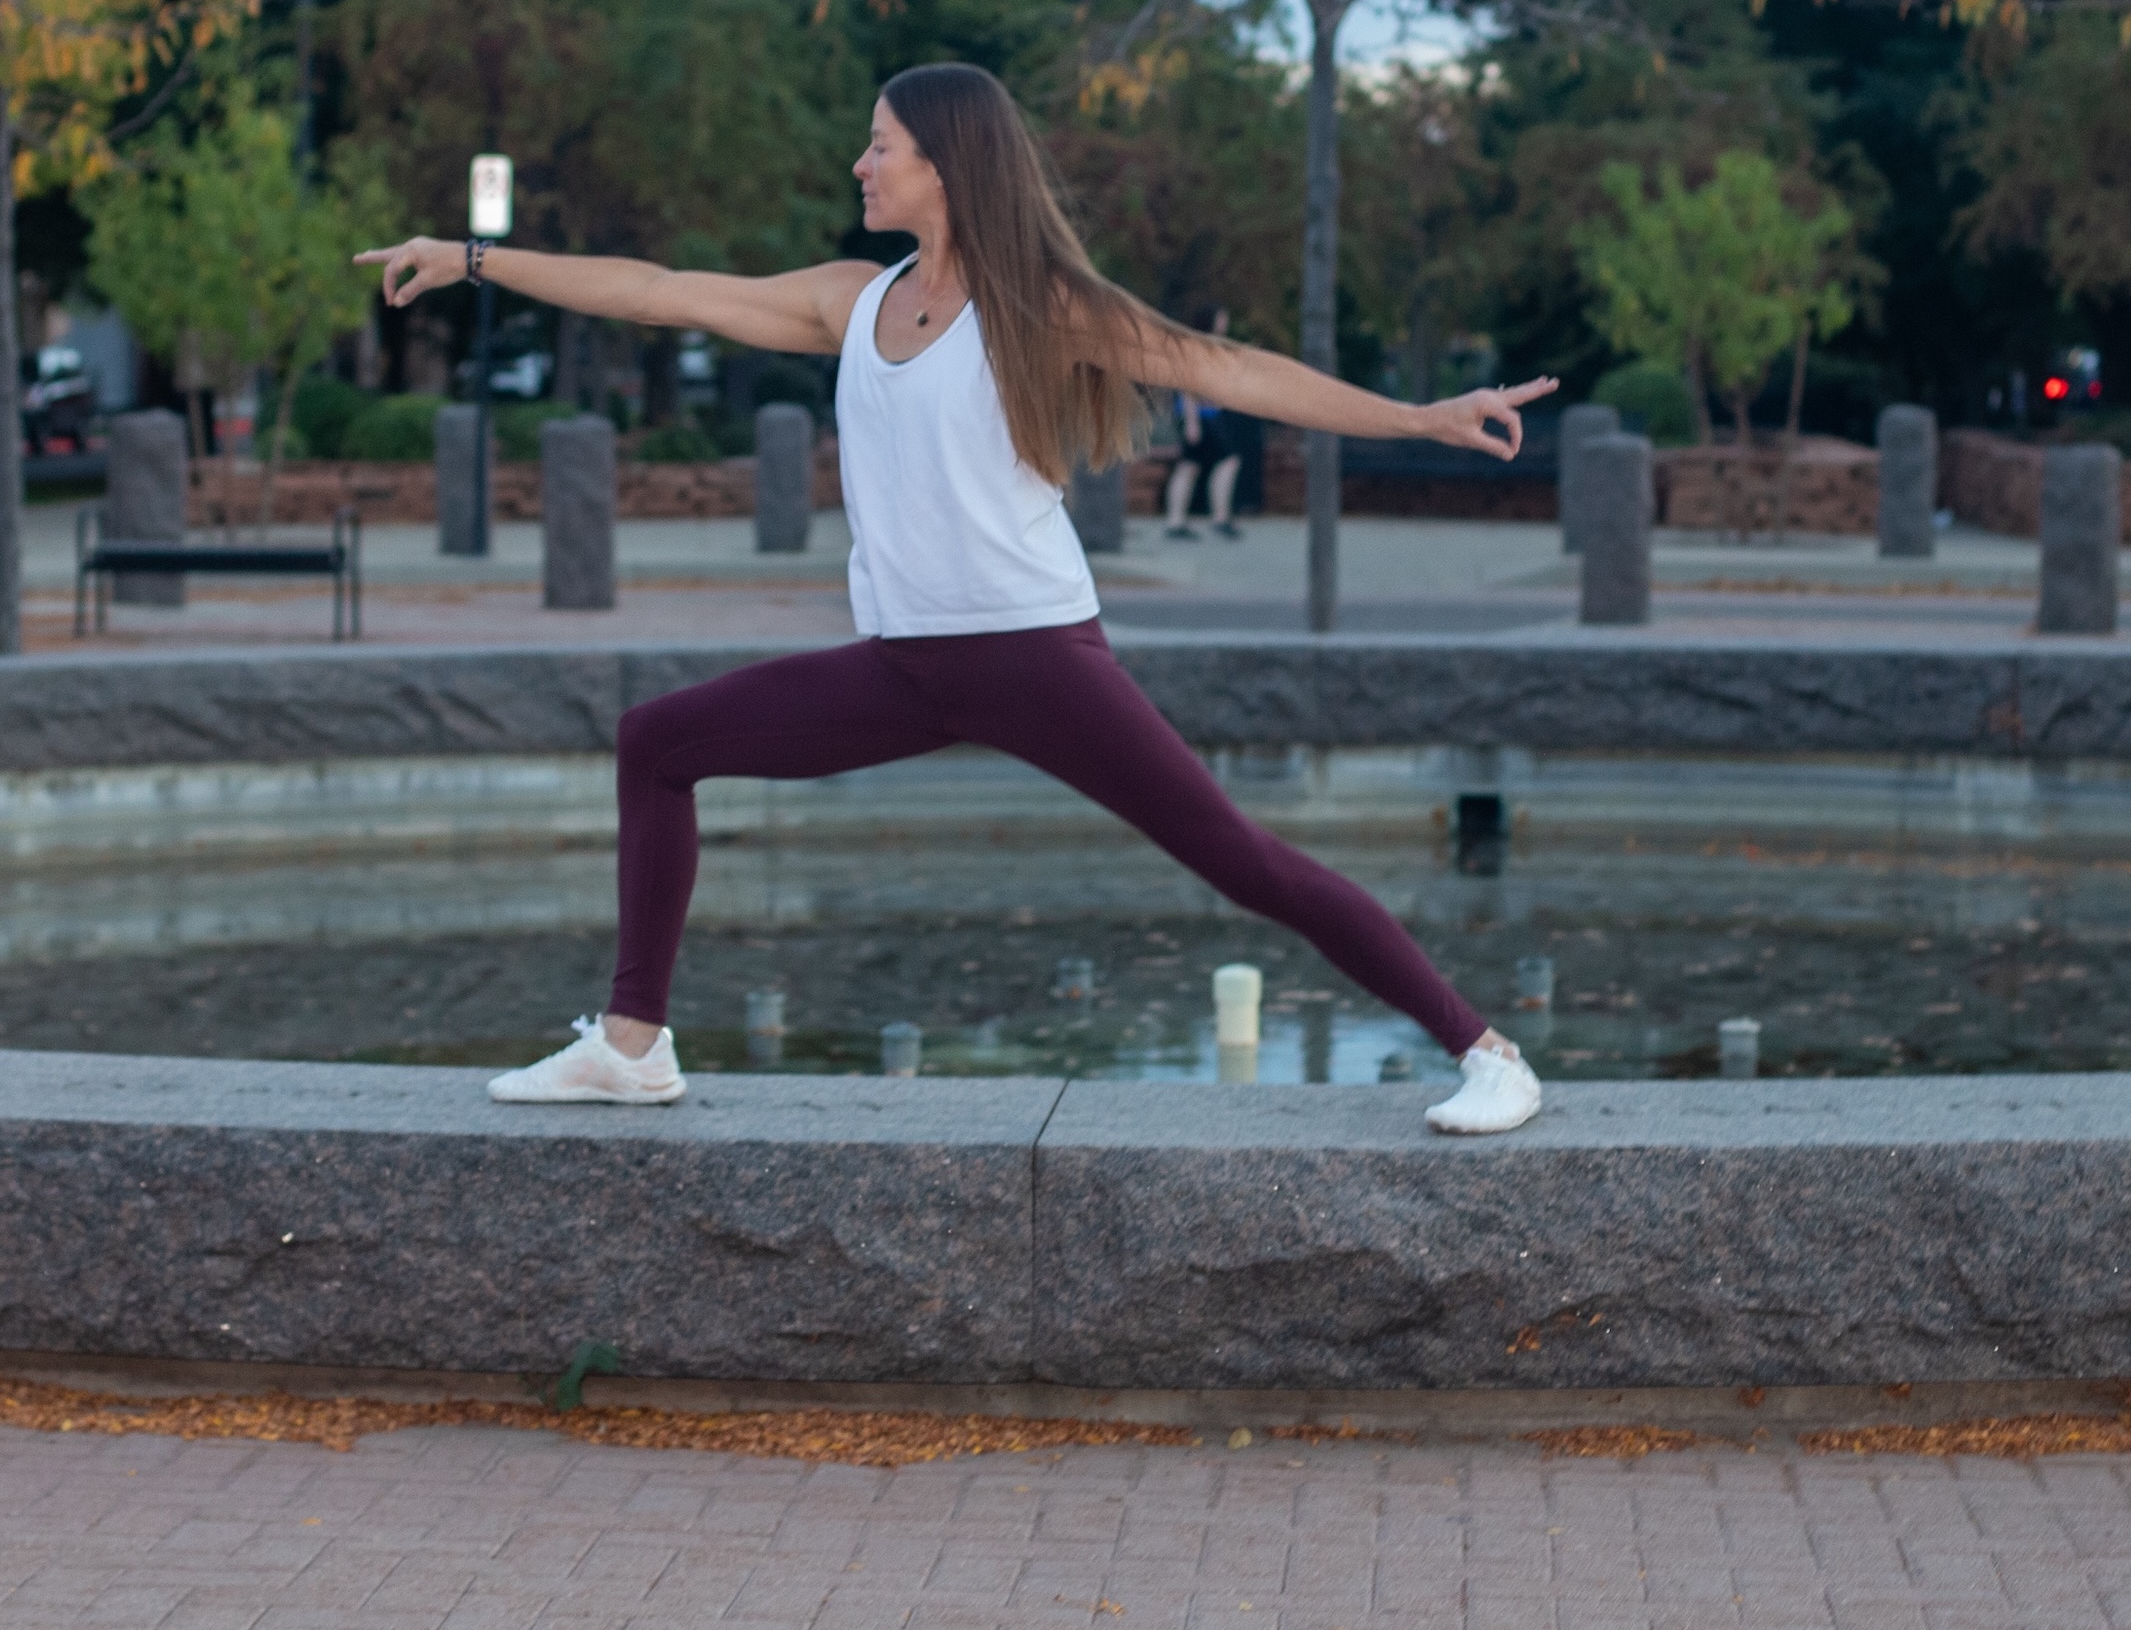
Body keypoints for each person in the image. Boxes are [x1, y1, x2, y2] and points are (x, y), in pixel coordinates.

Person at [355, 61, 1560, 1136]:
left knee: (1240, 862)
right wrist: (471, 259)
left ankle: (1485, 1052)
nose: (860, 163)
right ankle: (630, 1048)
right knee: (657, 743)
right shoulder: (851, 299)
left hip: (1035, 655)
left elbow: (1229, 369)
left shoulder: (1039, 304)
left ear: (946, 166)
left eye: (881, 145)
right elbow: (658, 290)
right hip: (904, 665)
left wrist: (1418, 417)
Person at [1161, 310, 1263, 538]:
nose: (1225, 323)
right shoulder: (1198, 347)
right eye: (1221, 318)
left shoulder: (1207, 347)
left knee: (1190, 466)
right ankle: (1217, 517)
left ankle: (1178, 521)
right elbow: (1188, 387)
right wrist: (1192, 422)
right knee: (1227, 460)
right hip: (1200, 417)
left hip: (1203, 416)